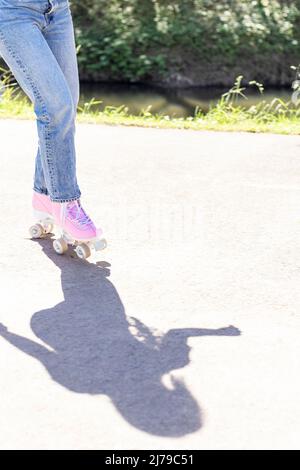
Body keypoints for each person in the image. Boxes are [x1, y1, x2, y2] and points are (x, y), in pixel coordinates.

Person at [0, 0, 102, 244]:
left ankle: (44, 197)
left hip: (58, 9)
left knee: (66, 108)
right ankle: (66, 202)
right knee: (56, 107)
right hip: (12, 11)